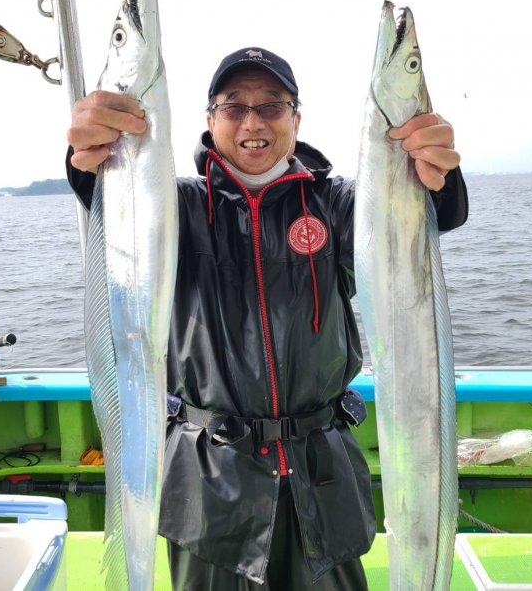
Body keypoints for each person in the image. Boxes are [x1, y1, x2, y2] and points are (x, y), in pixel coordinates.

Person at [66, 47, 467, 590]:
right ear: (210, 121)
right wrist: (91, 158)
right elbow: (117, 201)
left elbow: (415, 220)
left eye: (271, 106)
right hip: (209, 488)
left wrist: (438, 178)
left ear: (296, 121)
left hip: (320, 478)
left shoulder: (337, 205)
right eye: (234, 107)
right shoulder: (176, 207)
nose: (253, 122)